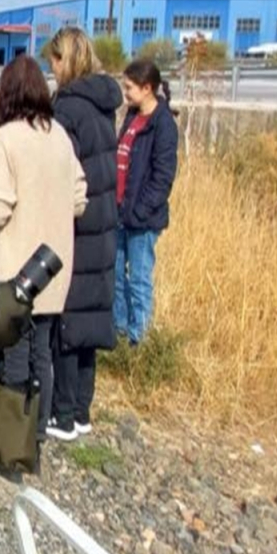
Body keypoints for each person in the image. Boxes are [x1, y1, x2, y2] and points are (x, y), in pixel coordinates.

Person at [0, 56, 87, 448]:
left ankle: (11, 442)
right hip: (52, 267)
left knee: (15, 355)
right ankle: (38, 429)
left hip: (15, 267)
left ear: (7, 93)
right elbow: (79, 198)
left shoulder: (6, 138)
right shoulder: (60, 135)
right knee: (42, 351)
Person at [42, 27, 123, 441]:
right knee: (92, 316)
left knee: (69, 320)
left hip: (79, 221)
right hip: (105, 220)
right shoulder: (104, 103)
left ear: (66, 60)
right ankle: (84, 410)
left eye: (54, 61)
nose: (51, 70)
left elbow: (61, 170)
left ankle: (64, 414)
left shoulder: (69, 108)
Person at [114, 59, 179, 347]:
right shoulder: (132, 116)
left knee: (139, 279)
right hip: (119, 212)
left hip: (142, 219)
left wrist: (138, 211)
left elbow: (162, 179)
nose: (125, 93)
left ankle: (138, 341)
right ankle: (119, 330)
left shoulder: (163, 125)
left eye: (129, 88)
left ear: (147, 88)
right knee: (115, 275)